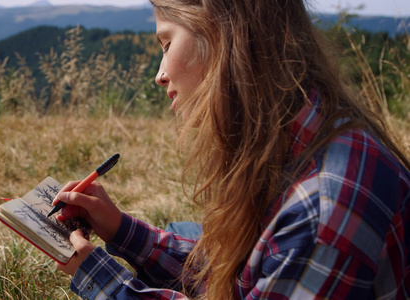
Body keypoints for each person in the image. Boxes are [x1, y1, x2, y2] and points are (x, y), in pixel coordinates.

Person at [52, 0, 410, 299]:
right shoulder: (295, 139)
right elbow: (242, 279)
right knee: (187, 232)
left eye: (166, 44)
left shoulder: (320, 209)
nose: (160, 74)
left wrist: (98, 277)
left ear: (221, 34)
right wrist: (120, 229)